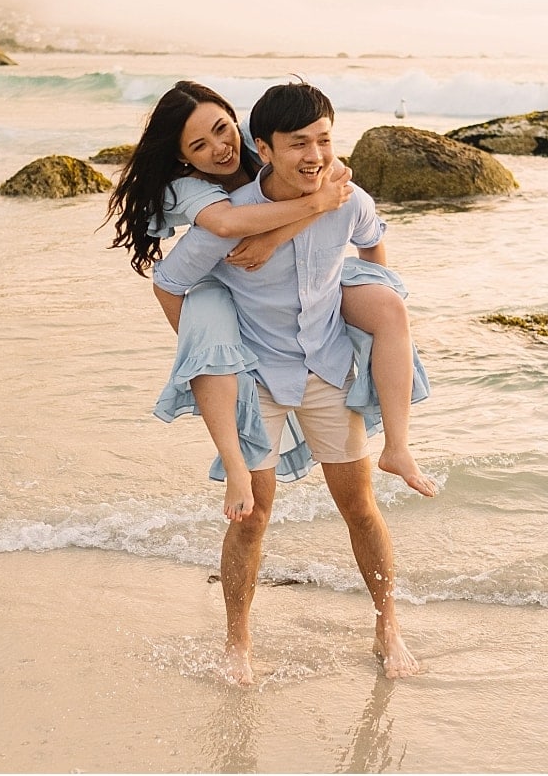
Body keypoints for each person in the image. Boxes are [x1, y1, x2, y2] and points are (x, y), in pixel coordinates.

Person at [150, 81, 423, 683]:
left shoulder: (347, 199)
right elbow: (169, 283)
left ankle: (387, 625)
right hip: (261, 375)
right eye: (298, 143)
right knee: (252, 515)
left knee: (360, 507)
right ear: (263, 148)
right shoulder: (227, 224)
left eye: (324, 140)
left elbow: (374, 243)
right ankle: (238, 645)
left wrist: (369, 306)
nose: (315, 156)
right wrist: (206, 348)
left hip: (326, 362)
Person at [107, 82, 436, 527]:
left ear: (235, 121)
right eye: (199, 146)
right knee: (212, 343)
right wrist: (207, 349)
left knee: (387, 305)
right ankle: (234, 469)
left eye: (223, 130)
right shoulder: (188, 187)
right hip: (226, 286)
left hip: (305, 277)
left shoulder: (261, 135)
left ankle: (398, 447)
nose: (220, 149)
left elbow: (331, 174)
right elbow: (226, 225)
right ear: (184, 156)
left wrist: (284, 232)